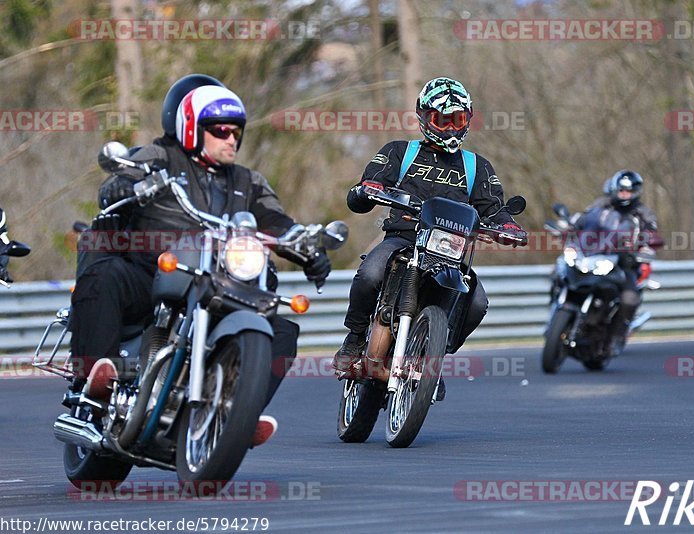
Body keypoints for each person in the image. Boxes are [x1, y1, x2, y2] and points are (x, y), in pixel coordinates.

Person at [70, 74, 331, 446]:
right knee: (107, 274)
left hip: (219, 281)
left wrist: (308, 249)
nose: (231, 139)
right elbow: (124, 174)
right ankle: (95, 383)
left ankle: (235, 413)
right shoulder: (161, 157)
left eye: (235, 132)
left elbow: (279, 224)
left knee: (283, 331)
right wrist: (122, 184)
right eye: (220, 130)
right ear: (192, 128)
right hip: (155, 276)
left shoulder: (248, 181)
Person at [333, 77, 527, 387]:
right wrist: (368, 189)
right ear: (425, 117)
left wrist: (508, 226)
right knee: (370, 272)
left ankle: (431, 353)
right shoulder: (400, 151)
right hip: (403, 238)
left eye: (458, 119)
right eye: (442, 119)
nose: (450, 128)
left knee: (477, 303)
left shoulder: (478, 167)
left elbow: (494, 207)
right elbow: (368, 186)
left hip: (449, 249)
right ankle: (355, 338)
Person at [572, 170, 660, 351]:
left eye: (628, 191)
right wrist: (569, 226)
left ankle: (616, 336)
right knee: (562, 271)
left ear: (635, 192)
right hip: (595, 254)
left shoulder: (643, 213)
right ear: (614, 190)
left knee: (629, 298)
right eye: (621, 191)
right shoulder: (602, 205)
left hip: (624, 261)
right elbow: (583, 219)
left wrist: (645, 248)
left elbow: (651, 235)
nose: (624, 195)